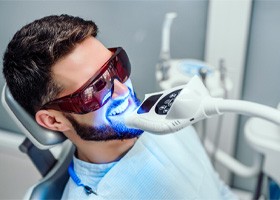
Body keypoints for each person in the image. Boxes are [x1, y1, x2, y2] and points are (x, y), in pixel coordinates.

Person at [3, 14, 237, 199]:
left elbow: (217, 189)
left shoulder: (168, 116)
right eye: (94, 89)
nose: (124, 91)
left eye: (117, 67)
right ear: (54, 120)